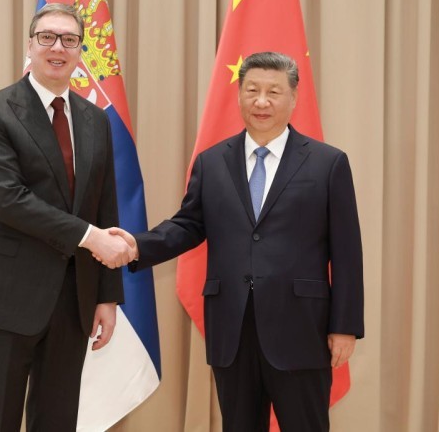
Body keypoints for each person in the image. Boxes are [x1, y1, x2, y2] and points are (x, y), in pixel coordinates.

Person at [111, 52, 364, 431]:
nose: (262, 101)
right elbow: (188, 225)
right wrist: (137, 246)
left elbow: (347, 252)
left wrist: (344, 325)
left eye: (273, 92)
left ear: (294, 97)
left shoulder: (327, 163)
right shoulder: (212, 162)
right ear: (239, 95)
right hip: (232, 328)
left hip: (301, 328)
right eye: (252, 90)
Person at [0, 3, 135, 431]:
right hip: (4, 293)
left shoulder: (95, 119)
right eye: (48, 37)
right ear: (30, 45)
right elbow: (7, 200)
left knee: (57, 421)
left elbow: (104, 206)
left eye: (69, 40)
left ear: (80, 52)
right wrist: (90, 237)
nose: (58, 47)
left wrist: (107, 296)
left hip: (73, 299)